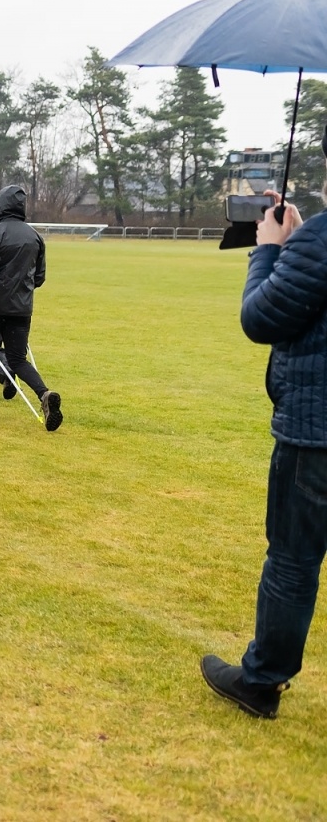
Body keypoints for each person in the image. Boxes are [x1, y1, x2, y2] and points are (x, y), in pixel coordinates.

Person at [201, 190, 327, 720]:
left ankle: (261, 681)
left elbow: (261, 317)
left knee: (293, 561)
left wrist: (271, 249)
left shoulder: (321, 239)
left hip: (314, 435)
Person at [0, 185, 62, 430]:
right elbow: (39, 277)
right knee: (18, 359)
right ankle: (44, 393)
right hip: (22, 308)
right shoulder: (35, 236)